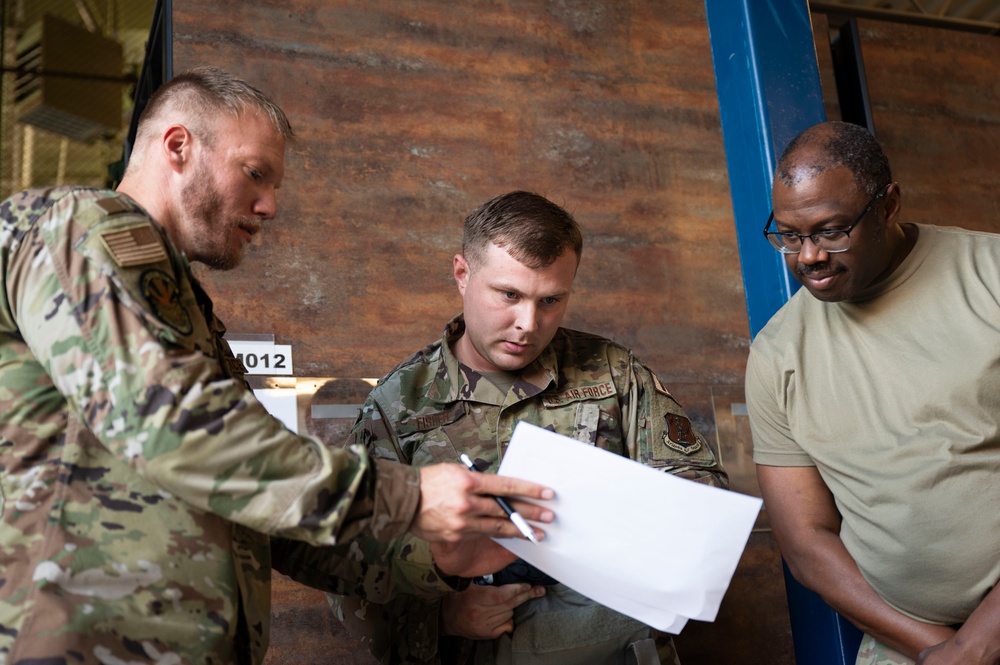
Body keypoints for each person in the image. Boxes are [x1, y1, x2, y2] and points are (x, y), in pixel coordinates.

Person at [0, 67, 554, 664]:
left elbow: (262, 519)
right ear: (178, 146)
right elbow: (171, 428)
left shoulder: (180, 310)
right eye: (255, 174)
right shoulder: (81, 228)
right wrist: (409, 498)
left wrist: (436, 558)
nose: (268, 206)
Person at [322, 190, 728, 664]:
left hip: (621, 647)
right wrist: (442, 618)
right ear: (462, 274)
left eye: (551, 300)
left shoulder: (611, 373)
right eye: (509, 295)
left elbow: (703, 494)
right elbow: (346, 570)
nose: (528, 323)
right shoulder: (398, 406)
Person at [746, 120, 1000, 665]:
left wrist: (980, 644)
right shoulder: (776, 354)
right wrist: (938, 649)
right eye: (789, 236)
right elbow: (806, 543)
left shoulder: (990, 276)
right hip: (911, 644)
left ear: (888, 206)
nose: (808, 256)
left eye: (830, 230)